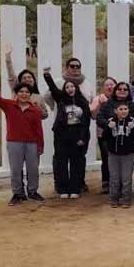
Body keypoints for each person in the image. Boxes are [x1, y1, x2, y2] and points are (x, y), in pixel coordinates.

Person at [43, 67, 91, 199]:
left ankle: (75, 188)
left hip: (77, 135)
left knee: (76, 162)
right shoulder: (61, 99)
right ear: (65, 89)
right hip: (61, 135)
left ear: (76, 88)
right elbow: (52, 87)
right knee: (61, 162)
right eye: (67, 87)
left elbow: (86, 122)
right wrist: (47, 75)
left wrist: (82, 138)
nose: (70, 89)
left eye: (72, 86)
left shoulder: (83, 102)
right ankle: (63, 188)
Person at [0, 85, 45, 206]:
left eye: (27, 92)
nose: (24, 94)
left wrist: (40, 145)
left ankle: (32, 191)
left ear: (30, 94)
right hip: (14, 143)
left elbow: (39, 130)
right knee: (15, 170)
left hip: (32, 144)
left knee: (33, 169)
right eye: (21, 92)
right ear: (16, 93)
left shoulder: (35, 110)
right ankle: (18, 194)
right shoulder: (8, 105)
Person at [96, 81, 134, 194]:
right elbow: (99, 117)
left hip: (127, 140)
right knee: (109, 163)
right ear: (115, 91)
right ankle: (111, 189)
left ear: (129, 92)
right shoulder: (107, 104)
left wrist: (133, 124)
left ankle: (125, 193)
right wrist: (107, 124)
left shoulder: (133, 105)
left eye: (125, 89)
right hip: (110, 138)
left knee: (126, 168)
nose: (122, 91)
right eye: (120, 89)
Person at [101, 101, 134, 208]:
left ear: (128, 110)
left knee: (126, 178)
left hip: (128, 155)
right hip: (113, 155)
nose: (123, 111)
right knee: (114, 177)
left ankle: (126, 199)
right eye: (121, 109)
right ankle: (113, 198)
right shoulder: (110, 121)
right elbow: (104, 137)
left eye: (125, 109)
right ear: (115, 111)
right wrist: (108, 128)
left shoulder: (133, 122)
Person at [4, 44, 49, 119]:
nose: (27, 79)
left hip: (32, 129)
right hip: (16, 127)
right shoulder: (16, 91)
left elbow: (44, 116)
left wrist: (38, 109)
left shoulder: (39, 97)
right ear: (20, 82)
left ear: (34, 81)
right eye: (24, 78)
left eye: (29, 77)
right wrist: (8, 57)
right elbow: (11, 75)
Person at [91, 77, 117, 193]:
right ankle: (106, 182)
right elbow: (93, 115)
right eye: (107, 85)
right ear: (103, 88)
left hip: (118, 134)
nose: (109, 87)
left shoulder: (119, 98)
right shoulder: (98, 98)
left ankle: (117, 182)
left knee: (117, 158)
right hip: (103, 134)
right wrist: (99, 104)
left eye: (112, 84)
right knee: (106, 158)